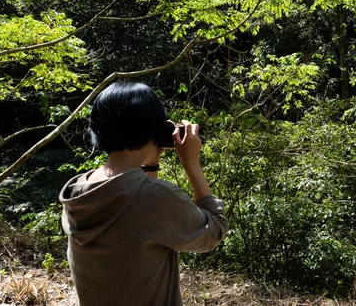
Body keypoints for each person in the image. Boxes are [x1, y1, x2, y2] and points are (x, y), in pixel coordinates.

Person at [59, 81, 229, 306]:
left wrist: (150, 167)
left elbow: (138, 216)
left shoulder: (79, 191)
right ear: (154, 131)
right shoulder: (156, 198)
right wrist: (191, 163)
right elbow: (214, 232)